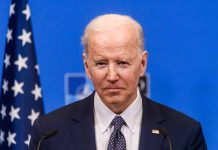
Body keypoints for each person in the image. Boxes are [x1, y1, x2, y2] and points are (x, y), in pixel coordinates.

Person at [29, 14, 207, 150]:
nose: (112, 76)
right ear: (86, 66)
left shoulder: (183, 133)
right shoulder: (49, 133)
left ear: (142, 63)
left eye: (122, 63)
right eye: (101, 63)